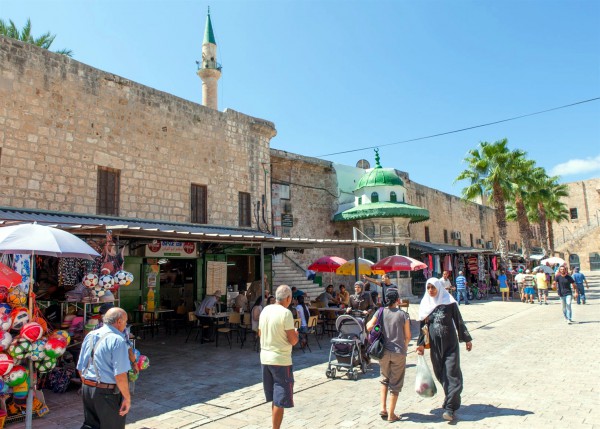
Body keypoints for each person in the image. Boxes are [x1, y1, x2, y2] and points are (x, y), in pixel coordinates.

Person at [417, 278, 473, 422]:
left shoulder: (449, 302)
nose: (431, 290)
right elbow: (422, 327)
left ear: (439, 288)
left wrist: (466, 338)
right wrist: (420, 344)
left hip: (450, 345)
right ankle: (451, 399)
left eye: (433, 288)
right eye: (428, 288)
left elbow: (458, 320)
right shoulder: (425, 304)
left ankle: (450, 408)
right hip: (435, 347)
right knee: (441, 373)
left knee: (452, 374)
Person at [76, 307, 132, 429]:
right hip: (106, 392)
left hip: (87, 388)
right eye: (125, 321)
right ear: (119, 321)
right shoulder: (118, 340)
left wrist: (89, 384)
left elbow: (80, 367)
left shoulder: (90, 335)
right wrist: (127, 398)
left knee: (91, 425)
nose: (126, 324)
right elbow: (120, 375)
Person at [366, 288, 410, 423]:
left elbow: (368, 327)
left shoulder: (380, 312)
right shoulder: (403, 315)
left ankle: (383, 408)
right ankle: (391, 415)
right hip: (398, 352)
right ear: (397, 300)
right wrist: (404, 347)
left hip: (383, 351)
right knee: (395, 384)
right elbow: (408, 336)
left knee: (385, 379)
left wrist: (378, 329)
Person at [258, 285, 299, 429]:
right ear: (288, 298)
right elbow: (293, 340)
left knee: (275, 399)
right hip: (280, 360)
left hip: (265, 358)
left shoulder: (265, 310)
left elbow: (260, 333)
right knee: (280, 399)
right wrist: (296, 334)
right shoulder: (286, 313)